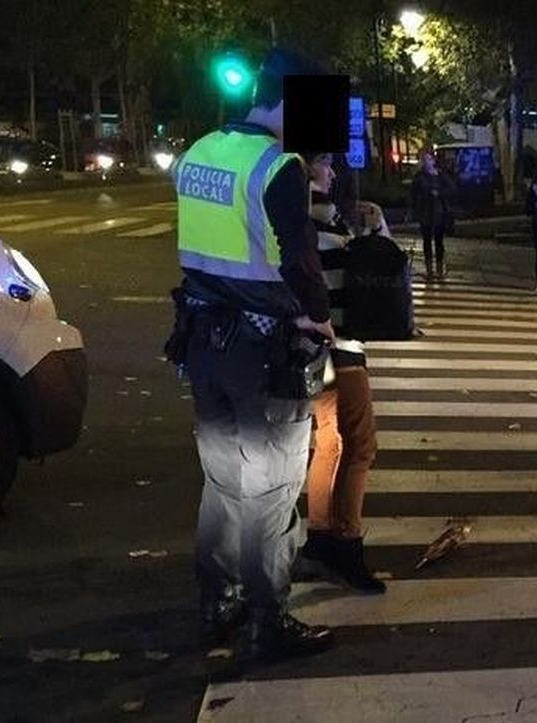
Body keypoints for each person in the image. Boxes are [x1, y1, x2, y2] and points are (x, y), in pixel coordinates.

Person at [171, 47, 335, 666]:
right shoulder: (277, 166)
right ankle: (268, 622)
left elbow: (209, 250)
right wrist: (317, 316)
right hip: (263, 353)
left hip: (202, 341)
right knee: (271, 487)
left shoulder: (199, 153)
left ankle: (217, 602)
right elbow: (299, 260)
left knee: (221, 479)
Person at [298, 153, 384, 594]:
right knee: (360, 445)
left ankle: (318, 539)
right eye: (326, 163)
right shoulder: (327, 226)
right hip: (343, 350)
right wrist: (377, 227)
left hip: (310, 354)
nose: (332, 172)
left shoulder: (290, 222)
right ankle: (347, 545)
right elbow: (382, 270)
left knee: (329, 442)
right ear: (309, 166)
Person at [410, 149, 454, 279]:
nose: (426, 162)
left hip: (439, 213)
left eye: (428, 159)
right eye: (424, 159)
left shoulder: (440, 175)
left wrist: (439, 193)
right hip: (426, 213)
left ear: (433, 160)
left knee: (439, 242)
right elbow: (414, 194)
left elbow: (452, 188)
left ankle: (439, 269)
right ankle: (429, 269)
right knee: (427, 241)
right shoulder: (420, 177)